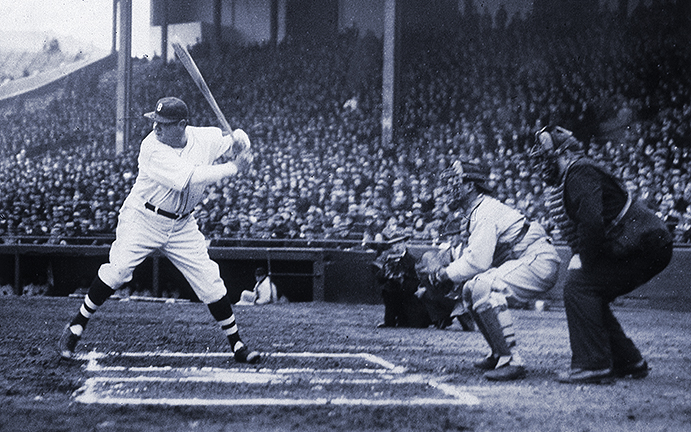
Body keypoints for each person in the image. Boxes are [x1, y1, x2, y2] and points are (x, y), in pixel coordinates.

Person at [58, 97, 260, 364]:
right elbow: (189, 178)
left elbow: (233, 139)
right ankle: (76, 326)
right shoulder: (151, 147)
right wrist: (234, 167)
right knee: (118, 271)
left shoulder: (204, 138)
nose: (156, 128)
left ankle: (237, 344)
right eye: (155, 122)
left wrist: (240, 141)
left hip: (182, 225)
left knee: (210, 281)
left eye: (163, 124)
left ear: (182, 125)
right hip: (143, 218)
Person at [530, 125, 673, 384]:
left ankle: (593, 364)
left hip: (645, 242)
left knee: (579, 286)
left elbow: (592, 223)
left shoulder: (578, 170)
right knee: (589, 291)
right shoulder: (578, 171)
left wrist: (584, 260)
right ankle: (628, 361)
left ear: (564, 153)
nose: (542, 162)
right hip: (646, 242)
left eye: (545, 155)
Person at [428, 159, 561, 381]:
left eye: (455, 182)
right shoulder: (476, 210)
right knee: (470, 290)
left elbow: (477, 262)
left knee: (483, 286)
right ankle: (498, 353)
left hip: (537, 258)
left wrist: (443, 273)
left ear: (470, 186)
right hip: (524, 259)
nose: (450, 188)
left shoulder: (484, 210)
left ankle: (512, 360)